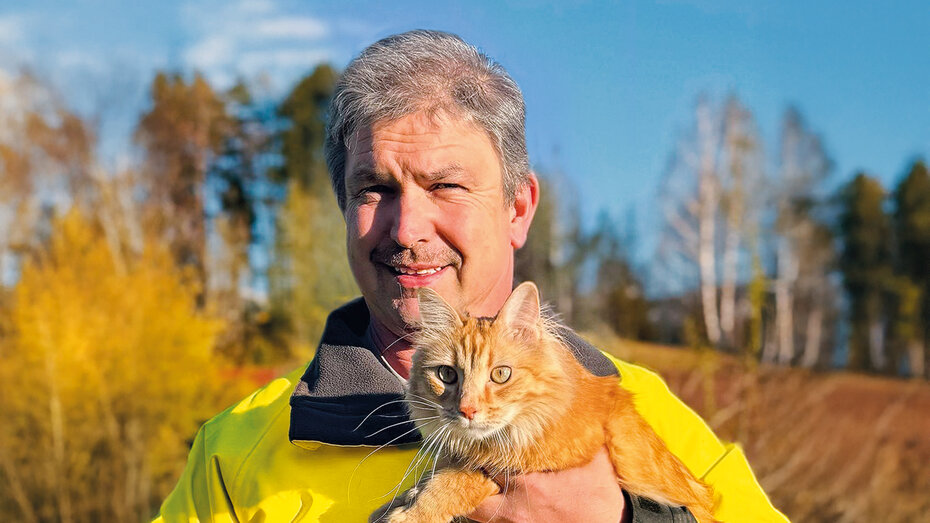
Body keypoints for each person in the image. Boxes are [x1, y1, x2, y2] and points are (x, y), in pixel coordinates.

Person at [153, 30, 787, 522]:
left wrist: (632, 519)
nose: (406, 229)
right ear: (344, 211)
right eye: (374, 188)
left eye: (445, 184)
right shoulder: (234, 456)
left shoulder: (643, 408)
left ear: (518, 208)